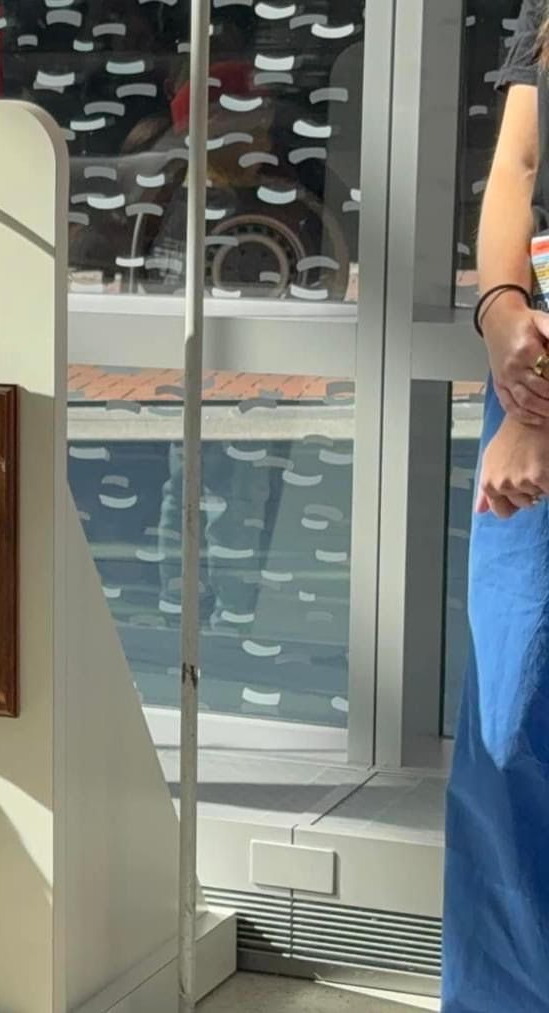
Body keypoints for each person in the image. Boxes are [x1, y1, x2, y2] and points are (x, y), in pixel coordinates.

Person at [454, 3, 549, 1009]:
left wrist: (540, 409)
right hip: (529, 374)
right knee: (510, 725)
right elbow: (517, 169)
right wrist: (502, 318)